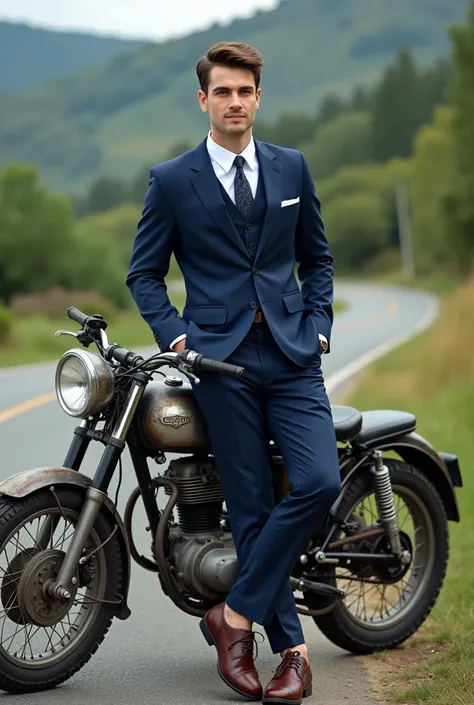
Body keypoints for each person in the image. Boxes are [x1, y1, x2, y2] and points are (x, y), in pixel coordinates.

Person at [126, 41, 341, 704]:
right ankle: (294, 653)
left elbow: (319, 260)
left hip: (292, 354)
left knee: (317, 481)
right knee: (249, 508)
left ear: (257, 97)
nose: (236, 102)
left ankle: (234, 615)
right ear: (204, 100)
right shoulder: (172, 181)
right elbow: (144, 274)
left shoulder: (291, 168)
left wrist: (320, 323)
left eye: (245, 91)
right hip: (220, 363)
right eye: (223, 92)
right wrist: (177, 335)